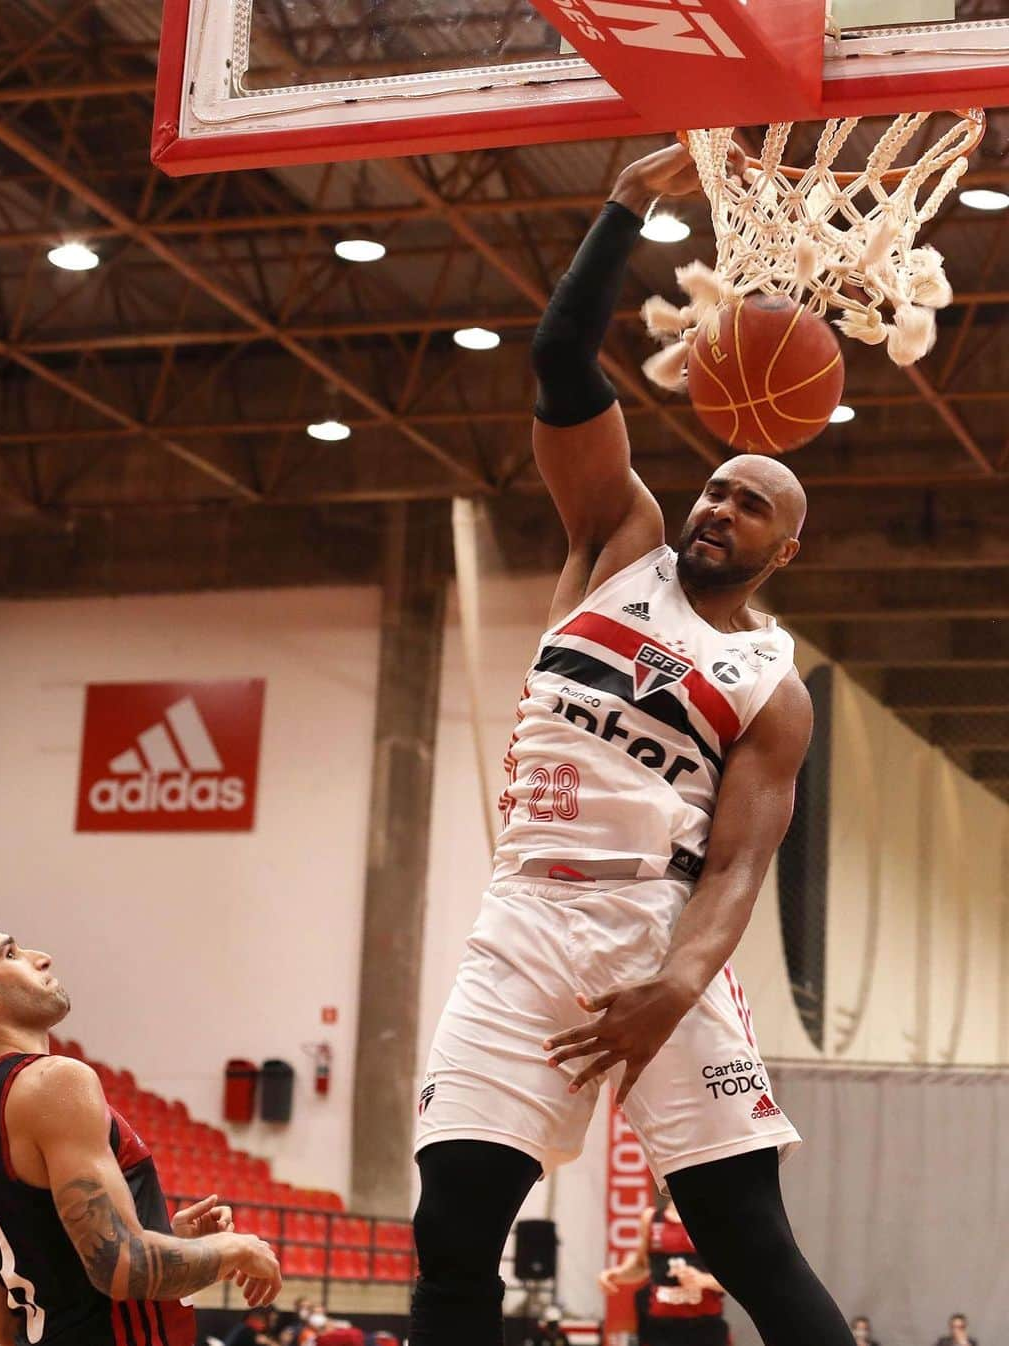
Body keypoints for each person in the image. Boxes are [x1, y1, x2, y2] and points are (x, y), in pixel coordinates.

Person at [410, 141, 856, 1346]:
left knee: (747, 1239)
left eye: (751, 501)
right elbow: (559, 359)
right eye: (715, 486)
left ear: (784, 546)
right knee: (452, 1226)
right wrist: (625, 204)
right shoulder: (620, 540)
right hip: (526, 919)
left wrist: (673, 982)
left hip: (660, 935)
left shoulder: (772, 682)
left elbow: (739, 866)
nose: (717, 505)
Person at [0, 920, 282, 1346]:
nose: (41, 957)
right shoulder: (54, 1081)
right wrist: (237, 1249)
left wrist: (168, 1239)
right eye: (11, 953)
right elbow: (121, 1266)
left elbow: (8, 1324)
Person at [600, 1200, 726, 1345]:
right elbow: (642, 1266)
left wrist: (704, 1280)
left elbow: (737, 1278)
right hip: (661, 1327)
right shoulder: (651, 1218)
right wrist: (617, 1274)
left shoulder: (713, 1219)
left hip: (704, 1328)